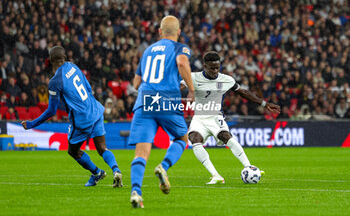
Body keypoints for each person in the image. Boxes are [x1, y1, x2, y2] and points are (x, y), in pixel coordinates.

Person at [21, 46, 123, 188]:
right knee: (102, 148)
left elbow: (51, 111)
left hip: (82, 119)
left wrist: (32, 124)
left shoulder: (55, 81)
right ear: (65, 58)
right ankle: (116, 170)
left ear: (51, 60)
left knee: (73, 151)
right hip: (95, 110)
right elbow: (88, 87)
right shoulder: (73, 66)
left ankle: (97, 173)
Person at [181, 51, 280, 184]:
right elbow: (177, 87)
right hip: (199, 118)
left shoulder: (226, 80)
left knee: (225, 136)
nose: (215, 70)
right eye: (212, 68)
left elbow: (243, 92)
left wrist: (264, 103)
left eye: (217, 67)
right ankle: (216, 176)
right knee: (194, 139)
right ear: (205, 66)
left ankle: (248, 166)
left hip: (216, 117)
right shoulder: (193, 77)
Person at [129, 15, 195, 208]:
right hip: (167, 100)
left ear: (159, 32)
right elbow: (182, 63)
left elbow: (135, 83)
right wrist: (191, 89)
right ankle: (163, 166)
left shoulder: (148, 51)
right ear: (179, 32)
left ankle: (136, 192)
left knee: (141, 153)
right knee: (182, 139)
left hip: (144, 99)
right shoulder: (180, 47)